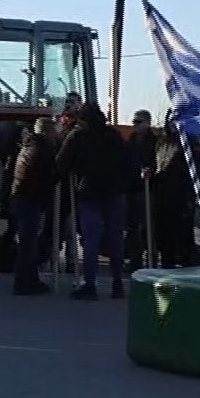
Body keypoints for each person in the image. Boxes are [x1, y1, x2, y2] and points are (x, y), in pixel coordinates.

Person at [56, 104, 130, 300]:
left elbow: (61, 163)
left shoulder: (78, 136)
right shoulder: (113, 135)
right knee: (115, 239)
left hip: (89, 191)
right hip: (114, 191)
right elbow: (127, 160)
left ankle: (90, 284)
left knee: (91, 240)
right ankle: (117, 284)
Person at [9, 117, 59, 296]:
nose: (56, 134)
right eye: (54, 130)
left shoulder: (28, 146)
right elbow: (49, 175)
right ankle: (24, 282)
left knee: (28, 243)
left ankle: (29, 279)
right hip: (30, 200)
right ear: (46, 131)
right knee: (28, 244)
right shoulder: (41, 149)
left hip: (23, 198)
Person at [149, 116, 200, 269]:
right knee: (164, 237)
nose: (173, 124)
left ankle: (187, 268)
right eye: (171, 121)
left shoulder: (189, 144)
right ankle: (167, 265)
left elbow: (196, 172)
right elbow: (155, 164)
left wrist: (191, 198)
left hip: (181, 196)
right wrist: (150, 173)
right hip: (161, 195)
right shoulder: (162, 142)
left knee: (183, 237)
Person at [123, 109, 156, 271]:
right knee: (132, 227)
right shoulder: (131, 141)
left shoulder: (155, 141)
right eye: (134, 122)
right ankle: (135, 260)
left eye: (139, 122)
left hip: (147, 189)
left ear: (148, 123)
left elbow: (158, 162)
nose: (135, 125)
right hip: (131, 188)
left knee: (147, 227)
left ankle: (152, 259)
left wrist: (151, 170)